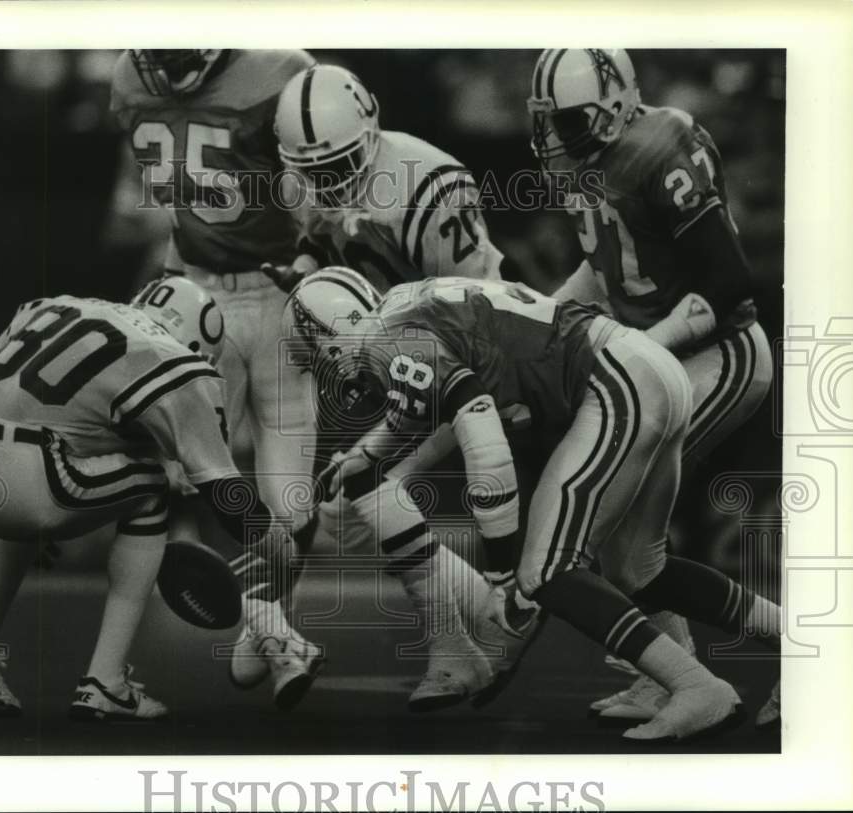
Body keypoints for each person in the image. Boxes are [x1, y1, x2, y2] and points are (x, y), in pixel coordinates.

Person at [287, 273, 780, 741]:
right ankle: (796, 639)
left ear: (326, 337)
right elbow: (425, 396)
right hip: (643, 366)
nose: (327, 374)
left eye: (317, 359)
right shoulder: (401, 310)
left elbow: (483, 440)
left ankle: (696, 686)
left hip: (615, 381)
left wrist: (500, 573)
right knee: (638, 569)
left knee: (545, 573)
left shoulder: (385, 341)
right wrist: (365, 455)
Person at [0, 276, 320, 721]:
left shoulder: (59, 303)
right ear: (195, 340)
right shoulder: (176, 361)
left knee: (46, 460)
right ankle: (105, 683)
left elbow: (16, 402)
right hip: (27, 477)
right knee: (151, 488)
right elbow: (225, 496)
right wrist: (281, 548)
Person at [268, 65, 536, 710]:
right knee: (362, 498)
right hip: (400, 350)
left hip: (477, 348)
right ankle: (466, 644)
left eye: (339, 164)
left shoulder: (428, 183)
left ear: (372, 124)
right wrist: (305, 276)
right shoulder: (307, 176)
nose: (329, 182)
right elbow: (323, 244)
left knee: (366, 491)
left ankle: (497, 620)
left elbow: (473, 305)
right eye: (316, 171)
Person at [527, 48, 775, 724]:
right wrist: (538, 319)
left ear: (615, 102)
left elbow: (727, 286)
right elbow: (606, 270)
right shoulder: (596, 162)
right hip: (667, 358)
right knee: (633, 559)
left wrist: (642, 346)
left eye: (569, 121)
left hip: (717, 352)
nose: (554, 140)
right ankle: (678, 675)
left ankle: (750, 666)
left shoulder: (658, 145)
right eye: (545, 123)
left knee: (609, 520)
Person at [110, 50, 323, 703]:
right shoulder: (139, 76)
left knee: (282, 495)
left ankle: (263, 621)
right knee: (208, 475)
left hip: (262, 294)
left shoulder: (269, 73)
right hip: (207, 295)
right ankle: (273, 628)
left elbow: (316, 184)